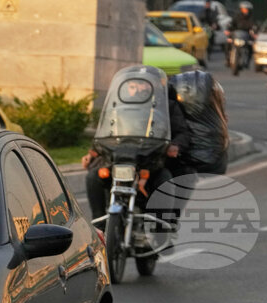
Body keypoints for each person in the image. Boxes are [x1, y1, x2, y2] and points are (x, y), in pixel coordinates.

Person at [82, 74, 191, 221]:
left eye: (142, 84)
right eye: (133, 86)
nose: (138, 89)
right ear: (127, 87)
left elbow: (182, 133)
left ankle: (161, 226)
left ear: (153, 86)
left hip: (151, 162)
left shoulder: (167, 106)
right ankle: (98, 223)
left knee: (165, 180)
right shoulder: (118, 106)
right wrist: (92, 152)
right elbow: (106, 131)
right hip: (121, 159)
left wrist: (176, 146)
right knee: (93, 177)